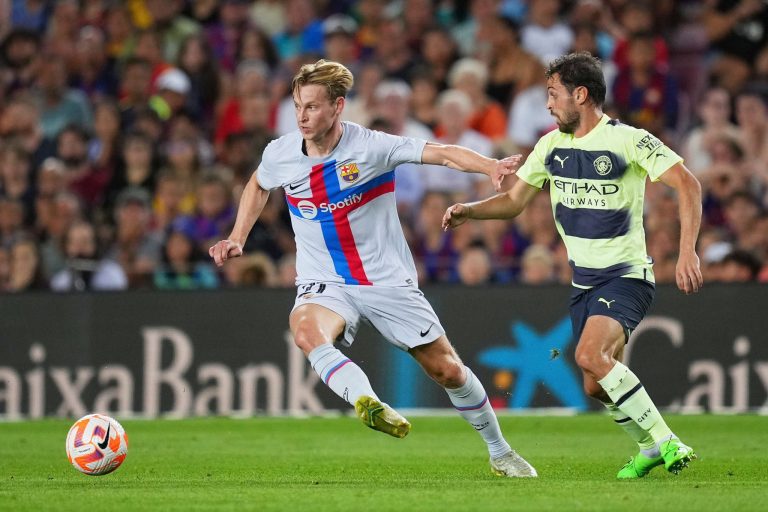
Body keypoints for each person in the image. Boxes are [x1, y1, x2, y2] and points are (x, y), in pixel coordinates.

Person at [209, 59, 537, 478]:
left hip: (385, 280)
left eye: (311, 107)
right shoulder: (281, 153)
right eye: (297, 106)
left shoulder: (372, 148)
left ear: (338, 106)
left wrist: (489, 166)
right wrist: (238, 236)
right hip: (324, 279)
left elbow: (442, 153)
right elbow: (258, 183)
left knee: (447, 370)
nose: (302, 116)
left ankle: (500, 452)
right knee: (306, 331)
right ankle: (368, 402)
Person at [442, 52, 703, 479]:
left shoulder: (628, 140)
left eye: (553, 94)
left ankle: (666, 439)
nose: (547, 104)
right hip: (584, 282)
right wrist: (470, 210)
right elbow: (513, 202)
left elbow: (687, 184)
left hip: (626, 276)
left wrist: (687, 250)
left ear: (580, 95)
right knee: (595, 382)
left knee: (588, 353)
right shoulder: (551, 146)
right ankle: (647, 447)